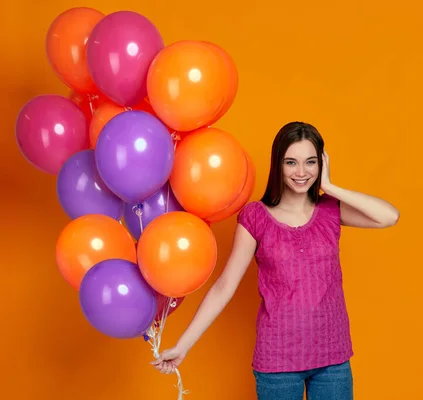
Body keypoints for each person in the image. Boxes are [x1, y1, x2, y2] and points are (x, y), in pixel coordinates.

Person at [151, 121, 400, 399]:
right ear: (278, 165)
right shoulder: (256, 217)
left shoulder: (331, 210)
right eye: (291, 162)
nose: (302, 172)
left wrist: (329, 186)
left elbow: (389, 216)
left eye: (311, 162)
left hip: (333, 357)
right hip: (279, 360)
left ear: (321, 164)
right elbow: (225, 286)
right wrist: (183, 346)